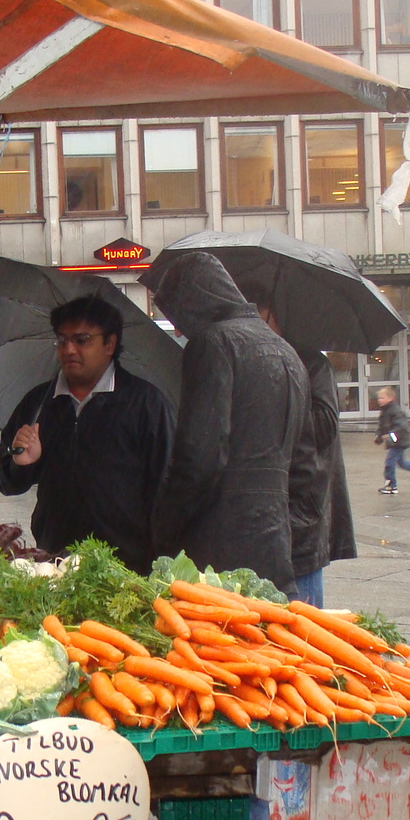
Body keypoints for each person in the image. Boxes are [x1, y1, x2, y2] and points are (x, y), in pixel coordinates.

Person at [147, 253, 309, 594]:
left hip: (220, 540)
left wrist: (163, 527)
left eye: (177, 315)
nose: (177, 328)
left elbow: (199, 454)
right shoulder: (285, 350)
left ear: (195, 301)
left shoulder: (213, 343)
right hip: (274, 534)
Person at [0, 295, 174, 573]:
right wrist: (21, 464)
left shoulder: (145, 404)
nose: (69, 350)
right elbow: (7, 483)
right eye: (62, 340)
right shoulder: (40, 402)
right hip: (53, 560)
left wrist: (159, 554)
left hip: (126, 564)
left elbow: (166, 488)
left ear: (110, 344)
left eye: (82, 340)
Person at [258, 307, 355, 608]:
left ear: (270, 313)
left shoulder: (312, 363)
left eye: (254, 310)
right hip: (261, 508)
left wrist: (278, 398)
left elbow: (325, 425)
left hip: (302, 509)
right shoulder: (254, 359)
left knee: (304, 619)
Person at [373, 387, 410, 495]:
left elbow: (401, 426)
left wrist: (390, 436)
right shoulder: (385, 410)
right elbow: (383, 426)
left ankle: (391, 485)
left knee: (389, 462)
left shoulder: (395, 410)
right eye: (379, 398)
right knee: (402, 463)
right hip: (396, 441)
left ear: (390, 398)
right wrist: (378, 436)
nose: (379, 400)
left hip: (399, 441)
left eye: (382, 398)